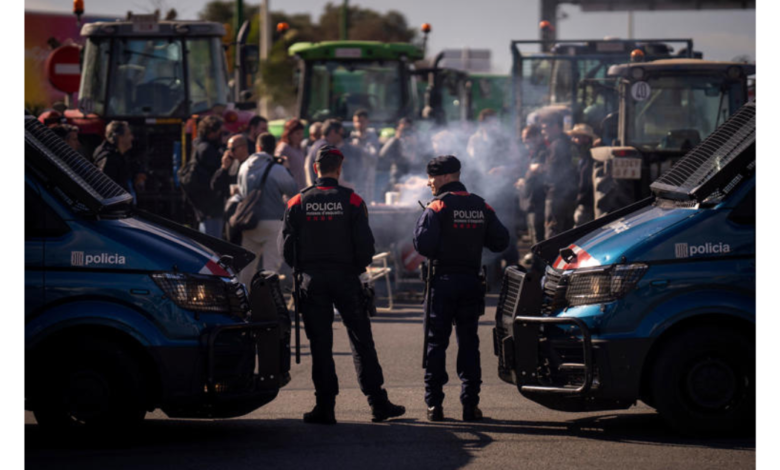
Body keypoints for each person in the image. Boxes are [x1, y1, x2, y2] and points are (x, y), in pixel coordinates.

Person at [279, 145, 406, 425]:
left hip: (312, 281)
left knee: (321, 345)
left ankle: (325, 406)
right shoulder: (353, 201)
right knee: (362, 341)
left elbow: (285, 249)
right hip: (346, 279)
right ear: (339, 169)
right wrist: (356, 270)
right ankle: (377, 403)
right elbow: (366, 247)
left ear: (315, 169)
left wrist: (303, 270)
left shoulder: (297, 203)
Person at [413, 155, 509, 422]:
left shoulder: (437, 206)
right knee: (469, 344)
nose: (429, 182)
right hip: (470, 283)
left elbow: (423, 245)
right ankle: (470, 405)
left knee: (435, 344)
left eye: (432, 177)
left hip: (441, 283)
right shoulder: (481, 205)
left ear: (444, 177)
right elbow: (501, 241)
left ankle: (434, 406)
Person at [237, 133, 298, 289]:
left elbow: (240, 193)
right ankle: (268, 304)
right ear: (273, 148)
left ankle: (245, 303)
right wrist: (287, 169)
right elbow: (292, 190)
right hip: (273, 223)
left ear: (258, 147)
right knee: (271, 269)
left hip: (249, 221)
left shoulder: (244, 167)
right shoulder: (277, 169)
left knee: (247, 268)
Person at [540, 111, 577, 239]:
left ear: (555, 126)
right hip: (569, 195)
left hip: (556, 195)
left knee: (553, 233)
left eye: (545, 128)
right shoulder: (568, 142)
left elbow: (551, 172)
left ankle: (553, 259)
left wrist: (539, 169)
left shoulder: (556, 145)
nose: (543, 132)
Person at [187, 116, 226, 237]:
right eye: (220, 132)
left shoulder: (200, 146)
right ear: (211, 132)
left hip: (206, 206)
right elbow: (215, 174)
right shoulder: (207, 149)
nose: (222, 135)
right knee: (212, 244)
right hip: (210, 206)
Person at [212, 134, 252, 242]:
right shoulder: (230, 164)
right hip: (231, 213)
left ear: (243, 148)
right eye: (227, 149)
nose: (229, 152)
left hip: (247, 213)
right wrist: (224, 168)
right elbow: (215, 185)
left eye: (232, 149)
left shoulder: (251, 165)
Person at [93, 121, 146, 201]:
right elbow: (106, 190)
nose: (132, 138)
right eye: (128, 134)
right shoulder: (108, 160)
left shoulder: (120, 156)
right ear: (119, 137)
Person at [516, 124, 548, 245]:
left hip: (538, 200)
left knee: (538, 237)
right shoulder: (531, 153)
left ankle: (538, 263)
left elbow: (538, 173)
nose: (525, 140)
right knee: (533, 235)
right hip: (530, 201)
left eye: (528, 137)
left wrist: (526, 178)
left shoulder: (543, 152)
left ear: (537, 137)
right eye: (524, 137)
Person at [568, 123, 598, 226]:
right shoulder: (583, 156)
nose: (573, 140)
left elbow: (585, 181)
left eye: (576, 137)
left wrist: (579, 198)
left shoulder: (590, 157)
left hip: (586, 202)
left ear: (586, 139)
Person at [350, 109, 380, 202]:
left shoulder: (372, 136)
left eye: (361, 121)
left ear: (367, 122)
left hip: (368, 174)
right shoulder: (352, 136)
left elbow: (373, 155)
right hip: (353, 175)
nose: (359, 124)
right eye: (356, 122)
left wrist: (359, 148)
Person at [304, 119, 343, 187]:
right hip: (321, 189)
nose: (341, 138)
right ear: (333, 132)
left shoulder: (317, 144)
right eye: (340, 134)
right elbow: (329, 173)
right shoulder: (325, 148)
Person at [275, 119, 307, 189]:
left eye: (302, 133)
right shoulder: (284, 148)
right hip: (289, 193)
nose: (301, 136)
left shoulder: (299, 148)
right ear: (289, 134)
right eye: (298, 133)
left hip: (301, 190)